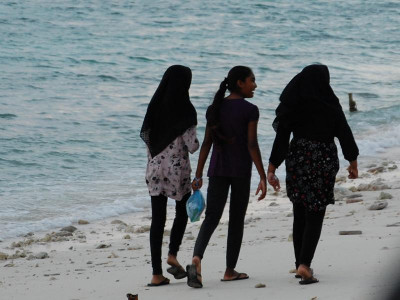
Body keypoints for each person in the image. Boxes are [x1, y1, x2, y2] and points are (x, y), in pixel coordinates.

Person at [267, 64, 359, 284]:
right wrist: (352, 161)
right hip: (323, 159)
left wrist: (272, 167)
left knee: (299, 208)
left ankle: (299, 261)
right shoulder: (330, 103)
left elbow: (282, 137)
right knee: (315, 211)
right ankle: (305, 265)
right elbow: (344, 132)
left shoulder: (294, 103)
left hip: (298, 157)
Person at [186, 66, 267, 288]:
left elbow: (206, 144)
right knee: (236, 219)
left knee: (211, 217)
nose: (255, 85)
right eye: (252, 80)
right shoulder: (250, 110)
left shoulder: (216, 109)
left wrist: (199, 174)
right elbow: (252, 144)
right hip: (240, 170)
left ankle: (196, 258)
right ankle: (230, 270)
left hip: (217, 169)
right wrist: (262, 175)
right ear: (240, 83)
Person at [140, 65, 199, 287]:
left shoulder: (155, 107)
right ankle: (172, 253)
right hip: (177, 172)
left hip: (155, 171)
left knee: (158, 219)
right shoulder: (185, 109)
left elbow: (147, 138)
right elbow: (192, 145)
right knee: (181, 211)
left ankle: (156, 273)